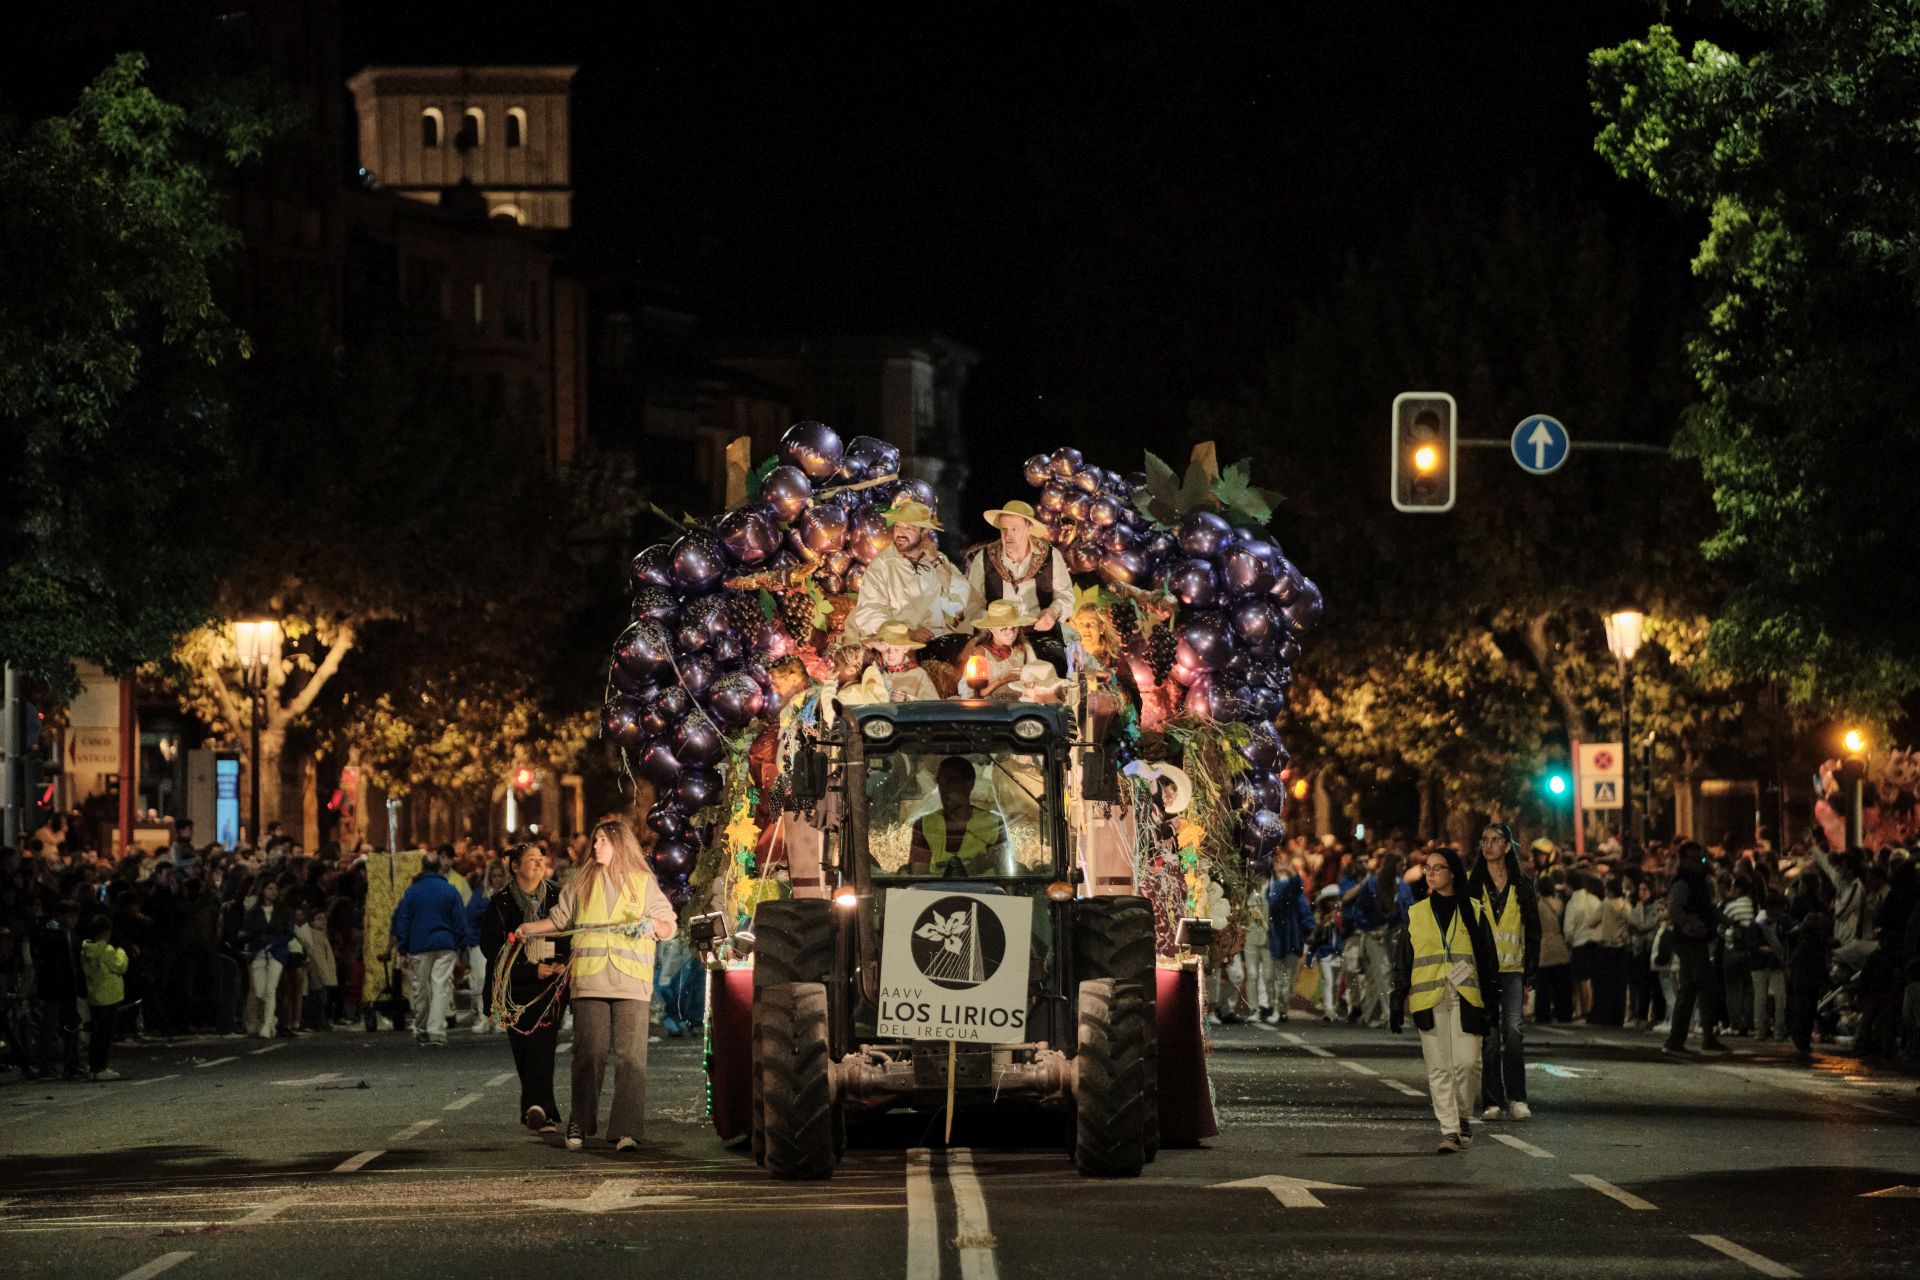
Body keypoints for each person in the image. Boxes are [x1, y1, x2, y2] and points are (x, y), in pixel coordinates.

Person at [515, 818, 677, 1152]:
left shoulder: (642, 882)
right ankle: (579, 1121)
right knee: (588, 1054)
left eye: (603, 840)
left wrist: (655, 926)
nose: (597, 846)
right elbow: (560, 920)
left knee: (631, 1058)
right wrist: (529, 929)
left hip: (631, 983)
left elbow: (668, 924)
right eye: (596, 840)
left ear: (620, 843)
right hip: (589, 981)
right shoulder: (581, 880)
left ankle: (625, 1130)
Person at [1392, 847, 1500, 1154]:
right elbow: (1404, 959)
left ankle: (1463, 1114)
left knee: (1467, 1064)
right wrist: (1396, 999)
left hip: (1467, 996)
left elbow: (1488, 959)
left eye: (1438, 868)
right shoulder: (1416, 913)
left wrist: (1494, 1000)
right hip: (1429, 997)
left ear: (1453, 872)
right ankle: (1450, 1129)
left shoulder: (1475, 910)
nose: (1431, 873)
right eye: (1427, 868)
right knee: (1439, 1068)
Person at [481, 842, 569, 1133]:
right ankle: (541, 1108)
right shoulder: (502, 902)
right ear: (515, 867)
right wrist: (530, 968)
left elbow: (569, 934)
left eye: (541, 859)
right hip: (515, 986)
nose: (538, 864)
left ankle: (538, 1109)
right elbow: (491, 948)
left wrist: (559, 965)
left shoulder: (557, 895)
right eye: (530, 860)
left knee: (543, 1045)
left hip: (551, 985)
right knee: (523, 1048)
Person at [1468, 825, 1539, 1121]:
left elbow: (1534, 930)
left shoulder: (1522, 885)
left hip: (1513, 971)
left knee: (1513, 1033)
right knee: (1489, 1037)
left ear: (1508, 846)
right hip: (1482, 973)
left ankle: (1518, 1098)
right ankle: (1493, 1101)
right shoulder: (1473, 885)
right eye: (1484, 839)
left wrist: (1530, 975)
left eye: (1496, 840)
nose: (1489, 845)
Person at [847, 499, 971, 663]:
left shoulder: (938, 560)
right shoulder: (882, 565)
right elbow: (869, 613)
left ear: (924, 532)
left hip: (935, 639)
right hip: (897, 646)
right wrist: (907, 633)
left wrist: (936, 561)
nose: (900, 533)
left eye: (909, 528)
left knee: (969, 649)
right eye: (898, 526)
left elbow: (960, 602)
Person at [964, 499, 1073, 670]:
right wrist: (993, 625)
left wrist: (1052, 612)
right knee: (977, 669)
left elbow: (1065, 597)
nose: (1007, 536)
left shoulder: (1051, 556)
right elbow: (972, 605)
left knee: (1055, 664)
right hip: (995, 637)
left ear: (1029, 528)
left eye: (1014, 529)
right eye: (1003, 529)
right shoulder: (984, 558)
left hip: (1039, 635)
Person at [390, 849, 474, 1047]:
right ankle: (436, 1030)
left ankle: (420, 1027)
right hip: (445, 944)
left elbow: (403, 920)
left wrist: (402, 949)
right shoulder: (449, 890)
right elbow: (460, 920)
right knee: (440, 987)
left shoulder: (412, 891)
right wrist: (462, 945)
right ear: (438, 869)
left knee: (421, 987)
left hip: (419, 946)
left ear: (422, 868)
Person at [1663, 841, 1730, 1056]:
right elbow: (1674, 909)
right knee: (1703, 986)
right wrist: (1691, 925)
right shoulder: (1684, 881)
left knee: (1690, 988)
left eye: (1700, 858)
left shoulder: (1697, 881)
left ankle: (1680, 1038)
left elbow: (1706, 909)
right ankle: (1701, 1037)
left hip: (1694, 940)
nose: (1698, 863)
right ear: (1682, 860)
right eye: (1693, 858)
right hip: (1690, 942)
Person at [908, 757, 1010, 876]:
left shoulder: (994, 824)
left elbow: (1005, 874)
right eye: (940, 781)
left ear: (969, 784)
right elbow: (918, 876)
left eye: (952, 781)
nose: (944, 788)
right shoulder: (924, 824)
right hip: (935, 893)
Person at [1263, 852, 1313, 1022]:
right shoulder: (1273, 887)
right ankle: (1278, 1008)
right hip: (1279, 937)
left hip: (1291, 937)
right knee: (1279, 976)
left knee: (1288, 978)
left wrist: (1309, 931)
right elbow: (1274, 899)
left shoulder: (1296, 895)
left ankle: (1282, 1008)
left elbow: (1304, 910)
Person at [954, 599, 1040, 697]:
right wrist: (1003, 679)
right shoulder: (981, 653)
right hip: (992, 707)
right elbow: (974, 694)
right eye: (1004, 629)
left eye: (1014, 628)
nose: (1011, 633)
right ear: (991, 629)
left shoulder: (1020, 649)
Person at [842, 622, 942, 704]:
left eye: (896, 650)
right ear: (880, 648)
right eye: (886, 649)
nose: (891, 654)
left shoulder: (918, 674)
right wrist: (871, 643)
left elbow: (934, 705)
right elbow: (845, 658)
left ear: (906, 648)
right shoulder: (870, 668)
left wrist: (907, 699)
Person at [242, 880, 294, 1039]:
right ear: (262, 890)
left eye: (275, 888)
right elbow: (247, 931)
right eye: (269, 888)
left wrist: (274, 943)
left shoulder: (284, 911)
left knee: (271, 989)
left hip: (277, 952)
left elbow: (289, 933)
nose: (273, 891)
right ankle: (272, 1019)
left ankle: (266, 1024)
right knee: (259, 991)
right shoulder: (253, 912)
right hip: (258, 952)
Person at [80, 914, 129, 1081]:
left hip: (94, 997)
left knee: (96, 1034)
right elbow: (120, 966)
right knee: (105, 1035)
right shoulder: (107, 950)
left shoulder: (85, 950)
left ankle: (94, 1067)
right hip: (109, 998)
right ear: (105, 933)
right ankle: (101, 1067)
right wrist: (121, 952)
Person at [1533, 871, 1573, 1023]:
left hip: (1545, 948)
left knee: (1543, 986)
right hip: (1560, 946)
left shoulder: (1539, 906)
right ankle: (1564, 1013)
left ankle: (1542, 1015)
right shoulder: (1560, 903)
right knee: (1561, 985)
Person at [1563, 870, 1602, 1020]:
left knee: (1582, 980)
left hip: (1579, 944)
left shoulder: (1572, 903)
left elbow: (1568, 929)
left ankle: (1586, 1010)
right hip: (1596, 943)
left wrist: (1569, 941)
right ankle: (1594, 1008)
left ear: (1570, 885)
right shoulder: (1594, 899)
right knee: (1593, 979)